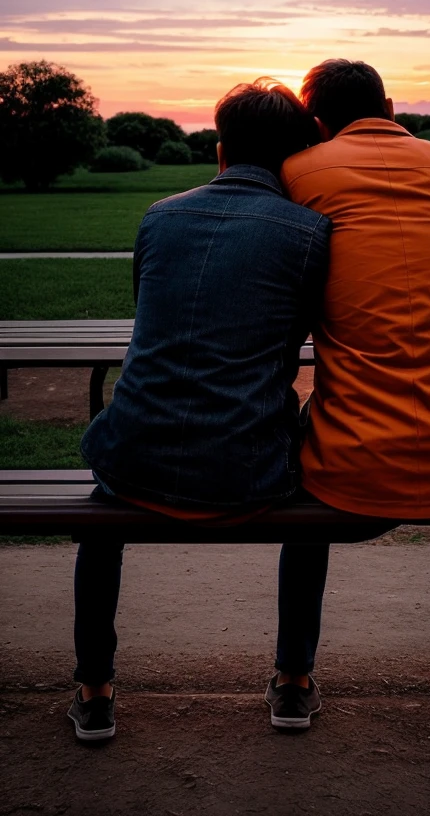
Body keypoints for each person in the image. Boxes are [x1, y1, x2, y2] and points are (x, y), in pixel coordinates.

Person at [264, 60, 430, 752]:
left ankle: (291, 678)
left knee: (302, 483)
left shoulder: (302, 173)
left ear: (317, 123)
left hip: (353, 455)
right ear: (391, 105)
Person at [68, 79, 331, 742]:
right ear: (295, 158)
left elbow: (152, 321)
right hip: (248, 469)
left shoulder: (159, 216)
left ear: (220, 151)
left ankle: (94, 689)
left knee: (100, 515)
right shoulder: (311, 233)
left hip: (134, 460)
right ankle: (293, 682)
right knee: (319, 471)